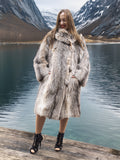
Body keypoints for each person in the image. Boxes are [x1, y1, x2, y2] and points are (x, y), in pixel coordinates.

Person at [30, 9, 90, 154]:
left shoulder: (78, 40)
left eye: (65, 20)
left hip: (69, 83)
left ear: (70, 21)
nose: (62, 23)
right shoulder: (50, 37)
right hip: (51, 82)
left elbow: (85, 62)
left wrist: (77, 76)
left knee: (65, 111)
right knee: (41, 109)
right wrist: (45, 74)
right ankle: (37, 138)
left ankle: (60, 138)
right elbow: (39, 59)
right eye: (60, 20)